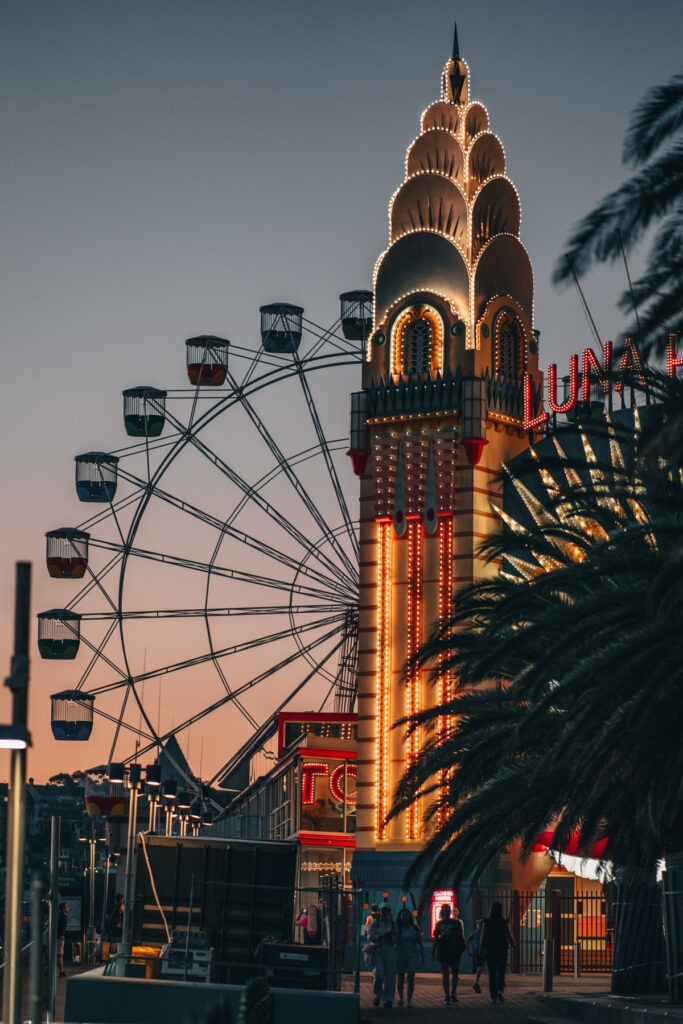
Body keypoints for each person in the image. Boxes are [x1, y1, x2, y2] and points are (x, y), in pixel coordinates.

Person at [480, 901, 516, 1004]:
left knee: (492, 973)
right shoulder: (503, 922)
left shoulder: (486, 922)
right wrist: (514, 946)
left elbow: (483, 936)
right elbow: (509, 936)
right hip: (501, 949)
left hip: (490, 949)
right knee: (501, 971)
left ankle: (493, 996)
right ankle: (500, 990)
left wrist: (480, 948)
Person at [431, 903, 466, 1004]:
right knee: (454, 973)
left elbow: (436, 939)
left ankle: (448, 996)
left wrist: (433, 952)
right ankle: (452, 993)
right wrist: (463, 947)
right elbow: (461, 936)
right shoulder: (456, 923)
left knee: (446, 974)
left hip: (445, 950)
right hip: (453, 949)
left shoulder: (440, 924)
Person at [367, 904, 397, 1008]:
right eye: (382, 910)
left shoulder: (392, 924)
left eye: (386, 910)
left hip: (389, 950)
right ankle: (379, 993)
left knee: (390, 976)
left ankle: (388, 999)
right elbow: (370, 936)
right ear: (380, 911)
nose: (384, 912)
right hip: (378, 949)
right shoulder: (375, 923)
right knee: (379, 974)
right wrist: (380, 937)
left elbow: (396, 936)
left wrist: (392, 938)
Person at [395, 908, 423, 1007]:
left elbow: (420, 943)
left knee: (410, 978)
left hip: (412, 955)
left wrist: (422, 957)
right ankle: (401, 998)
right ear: (400, 917)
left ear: (409, 917)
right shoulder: (397, 928)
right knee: (400, 979)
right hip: (400, 955)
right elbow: (394, 942)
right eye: (402, 915)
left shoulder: (414, 928)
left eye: (406, 915)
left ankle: (409, 1000)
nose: (404, 917)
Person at [466, 918, 485, 993]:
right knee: (480, 968)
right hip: (480, 952)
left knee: (480, 967)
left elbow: (467, 941)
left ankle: (476, 983)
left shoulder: (474, 932)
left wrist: (468, 952)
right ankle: (476, 983)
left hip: (476, 951)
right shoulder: (483, 932)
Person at [57, 902, 68, 977]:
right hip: (60, 937)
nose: (68, 908)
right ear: (63, 908)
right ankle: (61, 971)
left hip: (57, 936)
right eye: (66, 907)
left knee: (58, 954)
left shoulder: (58, 915)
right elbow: (62, 926)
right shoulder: (63, 916)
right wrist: (62, 935)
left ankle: (60, 971)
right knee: (60, 955)